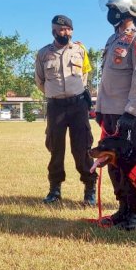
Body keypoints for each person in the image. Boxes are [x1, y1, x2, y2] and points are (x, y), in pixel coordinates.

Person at [96, 0, 136, 230]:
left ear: (128, 10)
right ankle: (122, 209)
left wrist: (131, 111)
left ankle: (135, 215)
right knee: (113, 163)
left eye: (113, 8)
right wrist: (99, 108)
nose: (109, 13)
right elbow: (104, 79)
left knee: (130, 165)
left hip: (128, 114)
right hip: (109, 112)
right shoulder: (112, 39)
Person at [35, 15, 95, 205]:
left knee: (82, 149)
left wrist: (75, 93)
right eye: (61, 30)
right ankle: (54, 190)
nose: (65, 33)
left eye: (68, 29)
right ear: (53, 31)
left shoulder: (80, 50)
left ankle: (89, 188)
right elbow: (40, 81)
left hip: (78, 106)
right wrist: (55, 94)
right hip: (56, 107)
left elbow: (85, 74)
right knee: (56, 149)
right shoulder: (44, 53)